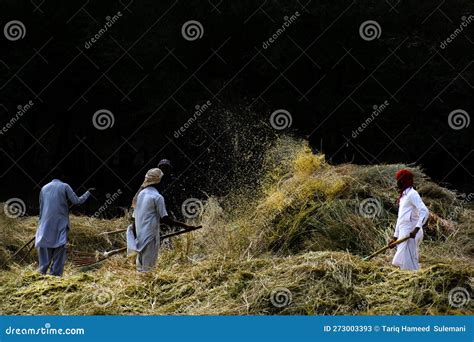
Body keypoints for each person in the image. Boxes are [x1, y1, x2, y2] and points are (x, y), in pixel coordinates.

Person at [133, 168, 198, 272]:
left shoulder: (141, 194)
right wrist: (185, 226)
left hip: (140, 237)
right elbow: (166, 219)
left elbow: (137, 216)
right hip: (150, 238)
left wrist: (134, 236)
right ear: (159, 181)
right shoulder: (157, 197)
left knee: (140, 268)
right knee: (148, 270)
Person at [35, 171, 94, 276]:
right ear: (62, 177)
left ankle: (41, 273)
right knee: (60, 248)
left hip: (45, 224)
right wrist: (88, 193)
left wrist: (39, 225)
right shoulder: (64, 186)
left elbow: (41, 208)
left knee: (45, 247)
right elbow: (77, 201)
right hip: (60, 223)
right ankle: (55, 275)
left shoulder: (43, 188)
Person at [388, 169, 429, 271]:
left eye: (398, 180)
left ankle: (416, 283)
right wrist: (395, 237)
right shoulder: (403, 197)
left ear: (403, 181)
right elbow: (400, 219)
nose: (397, 183)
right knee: (399, 262)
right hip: (404, 234)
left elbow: (424, 211)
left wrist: (416, 229)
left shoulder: (412, 194)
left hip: (411, 234)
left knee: (409, 265)